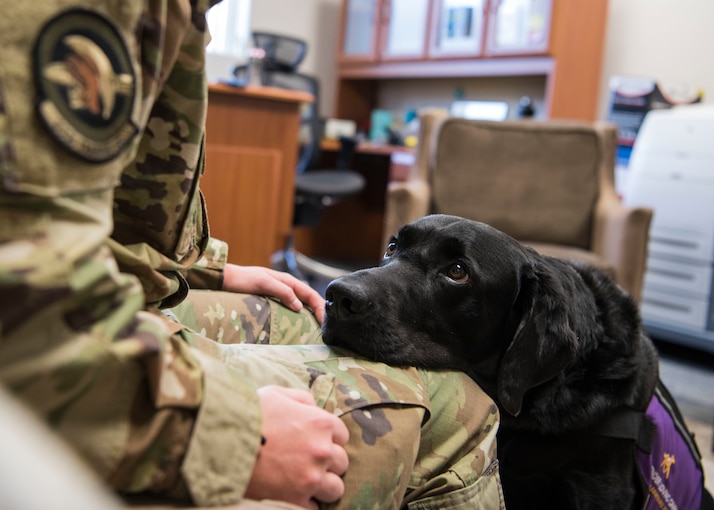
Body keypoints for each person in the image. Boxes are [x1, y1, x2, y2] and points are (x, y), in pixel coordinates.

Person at [0, 1, 504, 509]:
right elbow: (26, 311)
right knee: (464, 406)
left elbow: (89, 209)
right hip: (59, 364)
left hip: (113, 304)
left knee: (310, 318)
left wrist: (210, 269)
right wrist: (233, 436)